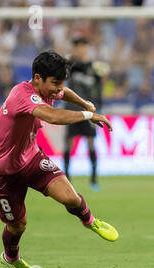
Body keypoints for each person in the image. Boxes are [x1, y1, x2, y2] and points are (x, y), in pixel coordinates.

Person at [0, 51, 119, 268]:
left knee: (70, 197)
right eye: (55, 83)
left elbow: (63, 93)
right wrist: (88, 115)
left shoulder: (47, 89)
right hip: (2, 171)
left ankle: (90, 221)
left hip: (31, 158)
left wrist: (84, 102)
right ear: (37, 78)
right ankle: (10, 257)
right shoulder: (22, 95)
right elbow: (53, 117)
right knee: (18, 225)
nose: (58, 88)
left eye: (60, 82)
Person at [63, 38, 104, 191]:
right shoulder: (71, 65)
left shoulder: (93, 69)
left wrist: (99, 107)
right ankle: (67, 179)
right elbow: (68, 69)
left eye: (83, 48)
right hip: (72, 110)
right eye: (78, 48)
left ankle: (94, 179)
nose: (81, 50)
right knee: (68, 143)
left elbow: (98, 89)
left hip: (89, 110)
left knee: (91, 143)